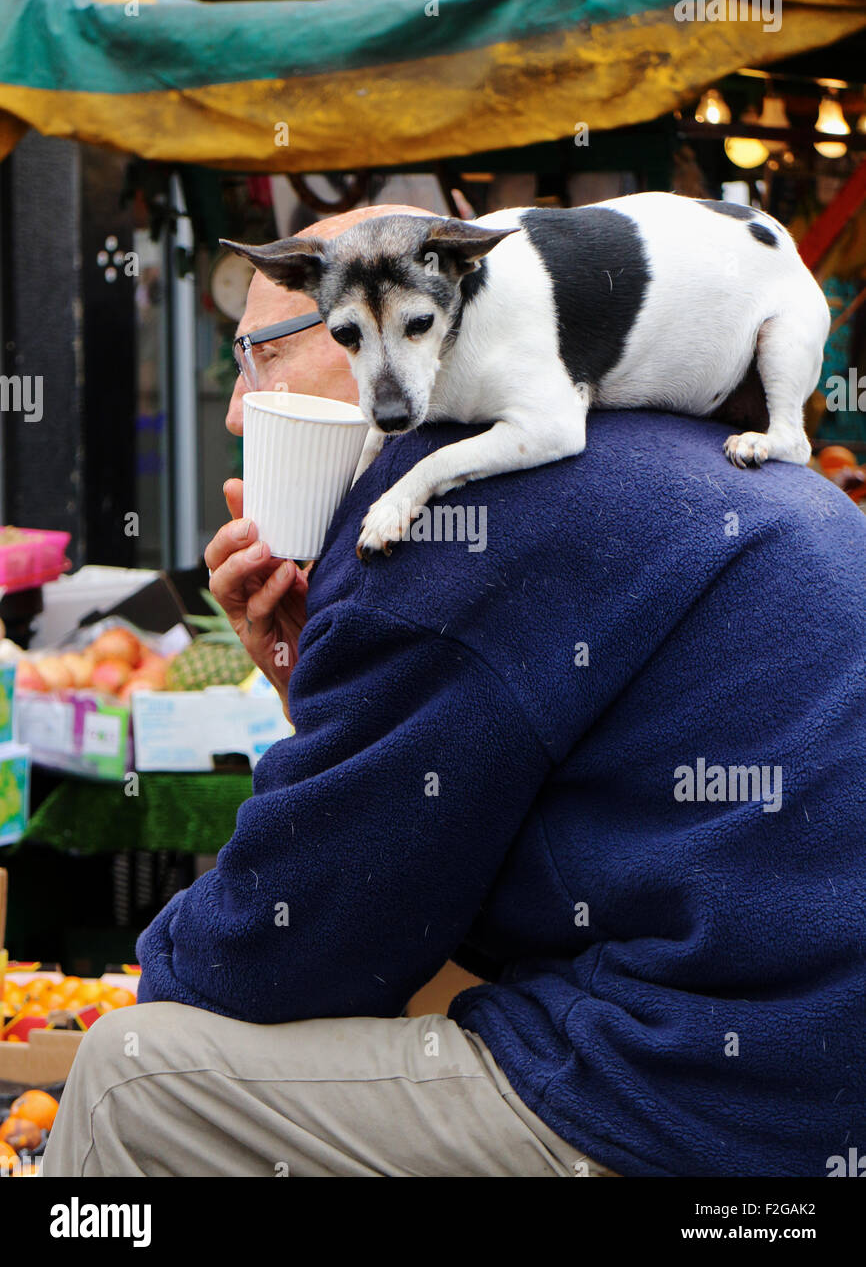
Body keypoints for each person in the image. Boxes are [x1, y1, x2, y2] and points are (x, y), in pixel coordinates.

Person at [43, 204, 866, 1178]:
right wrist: (314, 671)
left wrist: (161, 970)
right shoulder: (644, 447)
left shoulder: (448, 513)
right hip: (797, 1059)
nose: (234, 408)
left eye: (259, 352)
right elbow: (427, 845)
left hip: (716, 1092)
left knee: (134, 1078)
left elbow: (282, 952)